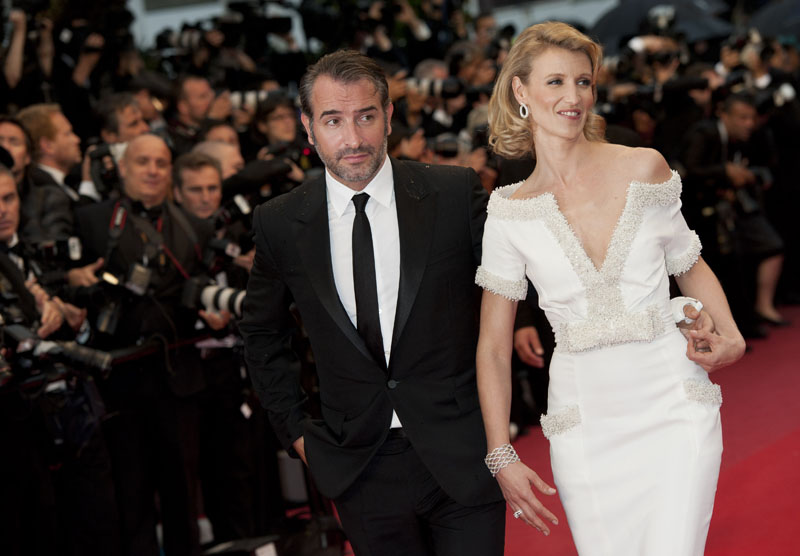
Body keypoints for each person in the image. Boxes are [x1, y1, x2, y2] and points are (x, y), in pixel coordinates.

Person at [475, 22, 745, 555]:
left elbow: (689, 264)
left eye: (583, 81)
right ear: (521, 92)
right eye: (555, 82)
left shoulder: (644, 166)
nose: (573, 97)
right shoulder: (508, 212)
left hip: (672, 400)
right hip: (586, 421)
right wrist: (500, 453)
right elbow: (491, 343)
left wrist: (731, 335)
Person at [240, 50, 506, 556]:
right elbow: (262, 334)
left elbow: (510, 288)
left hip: (462, 452)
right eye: (333, 120)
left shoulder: (452, 194)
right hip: (359, 465)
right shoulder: (280, 222)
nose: (354, 139)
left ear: (387, 116)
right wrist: (296, 432)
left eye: (365, 116)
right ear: (309, 127)